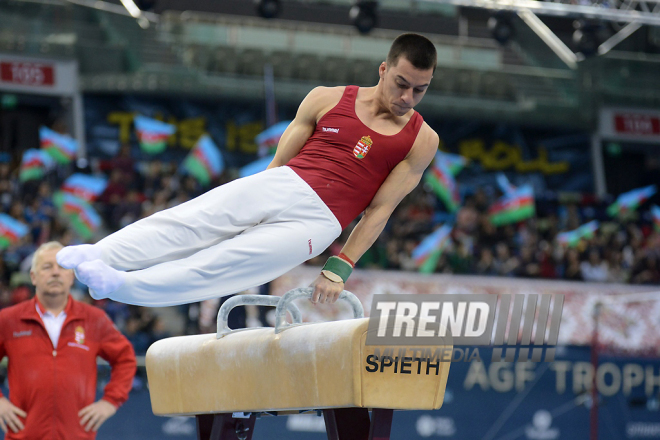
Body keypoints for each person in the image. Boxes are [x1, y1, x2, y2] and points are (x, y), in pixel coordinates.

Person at [56, 33, 440, 307]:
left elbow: (380, 211)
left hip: (319, 223)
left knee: (226, 266)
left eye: (419, 90)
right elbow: (277, 166)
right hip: (282, 183)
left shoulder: (421, 140)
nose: (407, 98)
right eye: (401, 84)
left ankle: (121, 286)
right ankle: (101, 252)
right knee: (190, 221)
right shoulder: (327, 98)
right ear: (383, 69)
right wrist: (254, 207)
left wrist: (339, 268)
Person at [0, 242, 136, 439]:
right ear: (33, 277)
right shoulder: (8, 320)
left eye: (62, 267)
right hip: (24, 434)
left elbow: (125, 358)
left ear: (72, 276)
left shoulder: (94, 319)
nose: (55, 273)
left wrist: (111, 402)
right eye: (47, 267)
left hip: (77, 435)